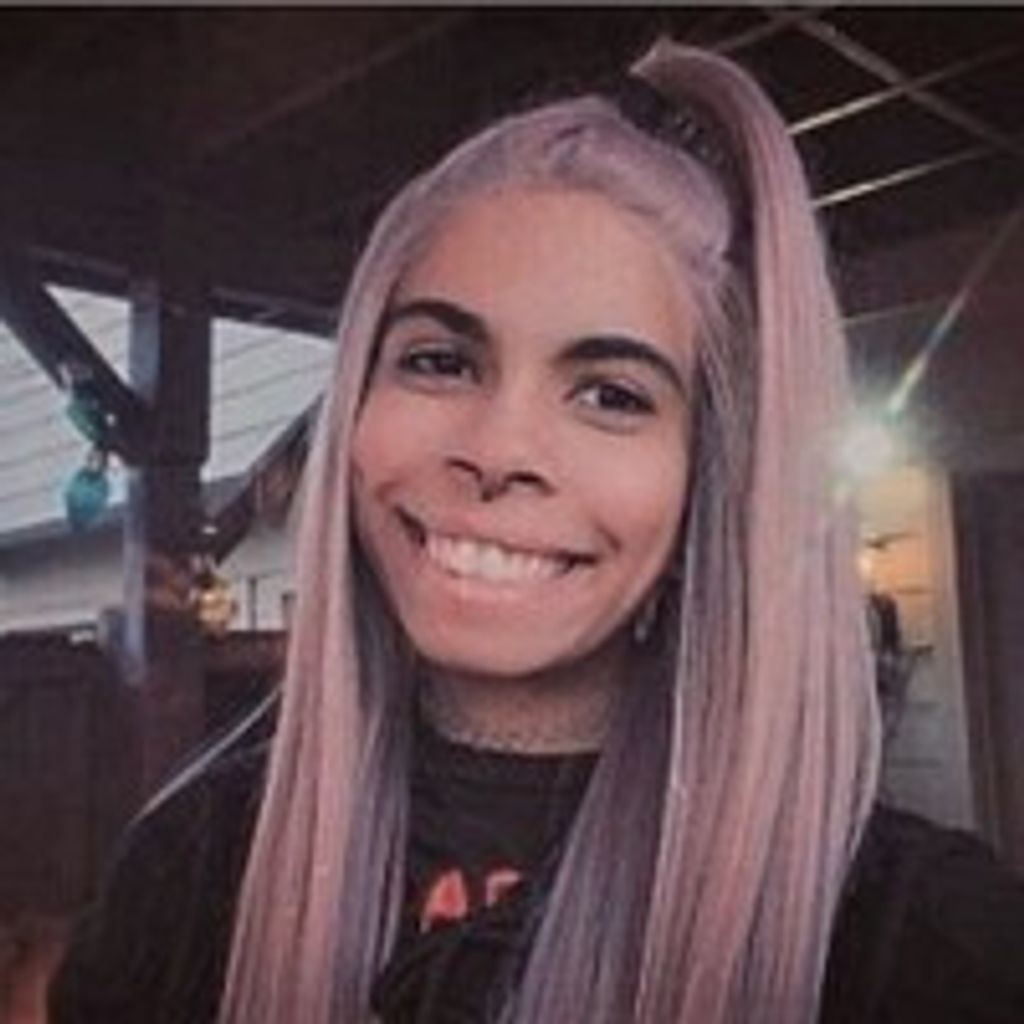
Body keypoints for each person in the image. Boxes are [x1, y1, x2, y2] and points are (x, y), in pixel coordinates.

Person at [49, 38, 1024, 1024]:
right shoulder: (184, 878)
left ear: (710, 476)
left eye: (610, 394)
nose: (499, 449)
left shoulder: (923, 942)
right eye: (439, 361)